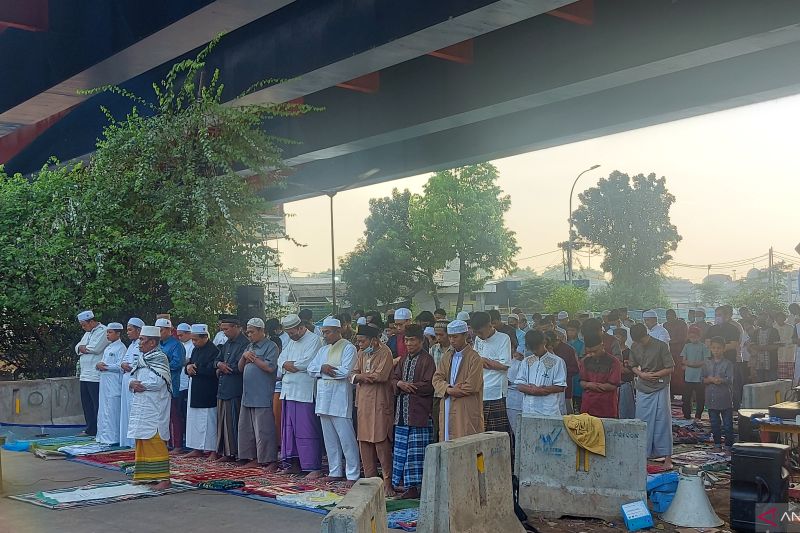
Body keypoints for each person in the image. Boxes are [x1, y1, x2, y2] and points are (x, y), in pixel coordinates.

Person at [308, 316, 360, 486]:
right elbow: (311, 368)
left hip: (339, 398)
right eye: (323, 332)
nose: (325, 335)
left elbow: (345, 372)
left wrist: (322, 370)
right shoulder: (323, 350)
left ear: (338, 331)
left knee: (346, 437)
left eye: (328, 332)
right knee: (329, 438)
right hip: (323, 398)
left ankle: (353, 474)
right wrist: (323, 369)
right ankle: (335, 471)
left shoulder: (349, 348)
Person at [391, 324, 436, 499]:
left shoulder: (427, 360)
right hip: (402, 413)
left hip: (419, 414)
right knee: (402, 451)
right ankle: (404, 485)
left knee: (415, 453)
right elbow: (394, 379)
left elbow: (429, 385)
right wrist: (399, 384)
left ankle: (414, 487)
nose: (409, 343)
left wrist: (409, 387)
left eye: (412, 340)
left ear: (421, 340)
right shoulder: (403, 359)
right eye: (406, 340)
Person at [277, 314, 324, 477]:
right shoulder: (291, 341)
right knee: (289, 430)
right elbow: (281, 359)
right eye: (288, 333)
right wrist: (286, 364)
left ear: (300, 327)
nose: (291, 336)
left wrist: (290, 365)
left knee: (306, 430)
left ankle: (312, 467)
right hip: (288, 391)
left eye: (292, 332)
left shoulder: (314, 340)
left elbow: (308, 362)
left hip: (304, 392)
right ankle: (294, 464)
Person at [351, 323, 394, 496]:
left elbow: (380, 376)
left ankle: (387, 482)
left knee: (380, 441)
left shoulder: (385, 353)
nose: (359, 344)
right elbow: (352, 374)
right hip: (363, 403)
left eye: (362, 341)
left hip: (379, 403)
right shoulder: (361, 353)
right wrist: (360, 376)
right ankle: (369, 479)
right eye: (358, 341)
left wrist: (360, 377)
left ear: (374, 341)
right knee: (364, 441)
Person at [128, 325, 172, 490]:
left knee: (155, 438)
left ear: (153, 342)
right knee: (141, 437)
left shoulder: (160, 358)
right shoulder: (141, 358)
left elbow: (159, 382)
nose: (139, 343)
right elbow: (131, 377)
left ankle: (163, 478)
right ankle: (146, 476)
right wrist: (132, 383)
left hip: (155, 405)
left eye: (142, 340)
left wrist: (141, 385)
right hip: (142, 403)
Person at [237, 318, 280, 470]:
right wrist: (244, 357)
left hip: (262, 394)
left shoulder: (271, 346)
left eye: (252, 332)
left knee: (264, 429)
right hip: (248, 394)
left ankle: (269, 460)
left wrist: (253, 358)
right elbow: (240, 368)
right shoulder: (249, 346)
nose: (249, 335)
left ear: (262, 331)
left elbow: (270, 367)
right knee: (247, 429)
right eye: (247, 332)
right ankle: (253, 457)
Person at [630, 324, 674, 470]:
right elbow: (633, 366)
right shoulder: (635, 346)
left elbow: (670, 368)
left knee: (663, 420)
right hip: (643, 386)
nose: (640, 344)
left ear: (646, 335)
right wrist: (642, 374)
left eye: (641, 340)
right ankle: (643, 454)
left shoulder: (661, 345)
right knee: (642, 421)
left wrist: (655, 375)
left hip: (660, 385)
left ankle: (667, 457)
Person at [432, 320, 484, 441]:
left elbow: (472, 385)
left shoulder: (474, 358)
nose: (452, 340)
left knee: (466, 440)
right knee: (446, 438)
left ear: (465, 336)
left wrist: (454, 391)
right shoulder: (447, 355)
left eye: (455, 337)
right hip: (447, 403)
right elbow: (437, 378)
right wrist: (448, 389)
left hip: (465, 406)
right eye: (450, 337)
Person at [211, 316, 248, 461]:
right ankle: (227, 452)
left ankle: (239, 454)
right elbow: (216, 360)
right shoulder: (227, 343)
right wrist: (219, 365)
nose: (224, 332)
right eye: (222, 329)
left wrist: (226, 367)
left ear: (236, 327)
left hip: (235, 389)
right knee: (223, 423)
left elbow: (239, 366)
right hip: (223, 387)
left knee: (235, 422)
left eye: (226, 329)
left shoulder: (244, 344)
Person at [471, 311, 512, 437]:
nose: (479, 335)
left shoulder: (503, 338)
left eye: (480, 332)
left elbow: (504, 365)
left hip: (496, 392)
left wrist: (483, 361)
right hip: (480, 390)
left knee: (497, 433)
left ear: (490, 325)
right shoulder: (478, 339)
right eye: (476, 332)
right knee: (480, 432)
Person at [184, 324, 219, 457]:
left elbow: (213, 370)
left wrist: (195, 369)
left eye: (196, 339)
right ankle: (196, 448)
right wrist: (188, 368)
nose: (193, 342)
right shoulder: (195, 350)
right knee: (194, 420)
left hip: (208, 390)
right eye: (192, 339)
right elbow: (189, 364)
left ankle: (212, 450)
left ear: (205, 337)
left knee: (208, 421)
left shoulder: (213, 350)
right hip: (195, 388)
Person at [513, 330, 567, 417]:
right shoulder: (526, 361)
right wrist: (533, 390)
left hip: (548, 409)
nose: (534, 351)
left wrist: (541, 390)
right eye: (532, 349)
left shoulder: (557, 361)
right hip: (529, 408)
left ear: (544, 342)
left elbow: (560, 386)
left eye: (537, 348)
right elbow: (519, 385)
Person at [75, 310, 111, 437]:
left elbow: (96, 348)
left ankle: (99, 429)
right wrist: (81, 348)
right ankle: (90, 428)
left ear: (91, 321)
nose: (83, 327)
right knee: (87, 403)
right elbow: (77, 347)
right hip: (84, 374)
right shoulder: (87, 333)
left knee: (97, 403)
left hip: (95, 376)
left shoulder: (103, 331)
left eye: (84, 324)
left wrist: (83, 348)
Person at [154, 318, 186, 449]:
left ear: (169, 330)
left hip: (172, 385)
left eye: (161, 330)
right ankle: (164, 442)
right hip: (159, 385)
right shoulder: (158, 344)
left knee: (174, 416)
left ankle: (177, 445)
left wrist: (160, 366)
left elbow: (177, 364)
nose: (159, 333)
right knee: (162, 416)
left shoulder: (176, 345)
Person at [706, 305, 743, 407]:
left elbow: (733, 344)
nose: (717, 317)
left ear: (726, 316)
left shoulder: (733, 328)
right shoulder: (712, 329)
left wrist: (717, 349)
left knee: (732, 384)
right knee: (715, 383)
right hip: (714, 362)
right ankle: (716, 405)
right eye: (716, 315)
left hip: (730, 360)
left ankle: (735, 407)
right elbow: (707, 342)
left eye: (719, 315)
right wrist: (716, 350)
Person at [95, 322, 127, 444]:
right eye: (107, 332)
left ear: (118, 334)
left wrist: (106, 367)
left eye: (110, 332)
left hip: (114, 383)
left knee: (112, 410)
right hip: (104, 383)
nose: (108, 335)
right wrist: (98, 365)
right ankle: (102, 436)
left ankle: (113, 438)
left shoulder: (121, 348)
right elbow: (102, 363)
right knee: (103, 409)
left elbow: (121, 365)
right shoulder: (108, 348)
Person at [578, 333, 622, 418]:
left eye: (595, 351)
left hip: (606, 405)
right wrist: (588, 384)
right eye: (589, 352)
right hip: (588, 405)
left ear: (602, 346)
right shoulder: (585, 361)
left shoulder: (614, 362)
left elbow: (613, 385)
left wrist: (593, 385)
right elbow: (581, 382)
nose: (592, 354)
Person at [703, 337, 735, 452]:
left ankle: (728, 445)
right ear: (710, 349)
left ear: (723, 349)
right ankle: (717, 444)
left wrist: (720, 380)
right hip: (711, 399)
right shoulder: (707, 363)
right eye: (714, 348)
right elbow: (702, 379)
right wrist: (710, 379)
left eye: (719, 348)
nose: (716, 350)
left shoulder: (728, 364)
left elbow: (730, 379)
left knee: (727, 425)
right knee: (714, 424)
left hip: (725, 398)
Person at [120, 317, 144, 447]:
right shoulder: (131, 345)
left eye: (130, 330)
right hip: (126, 381)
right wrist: (122, 365)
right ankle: (128, 441)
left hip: (135, 379)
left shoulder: (142, 345)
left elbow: (139, 363)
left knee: (134, 411)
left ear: (139, 330)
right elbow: (124, 361)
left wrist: (129, 366)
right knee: (126, 411)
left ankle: (134, 443)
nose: (128, 332)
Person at [681, 325, 711, 421]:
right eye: (691, 337)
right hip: (688, 377)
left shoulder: (703, 346)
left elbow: (706, 361)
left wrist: (696, 364)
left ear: (699, 337)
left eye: (695, 337)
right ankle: (686, 415)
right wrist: (690, 363)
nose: (693, 339)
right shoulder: (686, 346)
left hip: (699, 377)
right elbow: (683, 360)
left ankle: (698, 415)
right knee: (686, 397)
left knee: (700, 398)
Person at [548, 330, 580, 415]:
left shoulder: (568, 350)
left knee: (567, 415)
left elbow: (576, 369)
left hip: (565, 388)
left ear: (556, 340)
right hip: (548, 389)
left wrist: (561, 369)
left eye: (551, 345)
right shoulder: (545, 350)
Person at [430, 320, 450, 442]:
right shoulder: (433, 349)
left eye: (441, 335)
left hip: (451, 392)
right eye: (436, 335)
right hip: (437, 393)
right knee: (438, 426)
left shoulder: (454, 350)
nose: (438, 338)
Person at [751, 314, 781, 382]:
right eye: (760, 319)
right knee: (760, 384)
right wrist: (763, 348)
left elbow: (776, 346)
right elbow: (752, 345)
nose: (761, 321)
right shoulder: (756, 331)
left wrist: (761, 348)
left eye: (764, 319)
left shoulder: (774, 331)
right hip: (758, 363)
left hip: (772, 362)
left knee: (773, 384)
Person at [615, 328, 636, 419]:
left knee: (625, 411)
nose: (615, 339)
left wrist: (617, 365)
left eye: (617, 337)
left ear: (624, 338)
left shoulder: (629, 352)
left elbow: (630, 370)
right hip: (613, 384)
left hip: (625, 383)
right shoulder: (613, 351)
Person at [176, 323, 194, 429]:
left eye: (181, 335)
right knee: (179, 410)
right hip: (179, 381)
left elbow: (188, 361)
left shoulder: (193, 345)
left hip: (187, 382)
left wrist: (180, 361)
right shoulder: (179, 345)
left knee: (185, 410)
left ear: (188, 333)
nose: (179, 337)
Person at [566, 320, 585, 413]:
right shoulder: (565, 344)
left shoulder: (582, 344)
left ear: (578, 331)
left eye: (572, 330)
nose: (570, 333)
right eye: (568, 330)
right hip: (567, 375)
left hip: (578, 375)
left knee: (579, 400)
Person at [774, 312, 795, 380]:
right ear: (776, 319)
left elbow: (794, 340)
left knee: (791, 377)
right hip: (779, 356)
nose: (780, 319)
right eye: (778, 317)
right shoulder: (774, 328)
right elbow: (772, 341)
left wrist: (785, 343)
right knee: (781, 378)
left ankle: (792, 390)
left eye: (781, 317)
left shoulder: (791, 327)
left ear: (784, 318)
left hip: (790, 356)